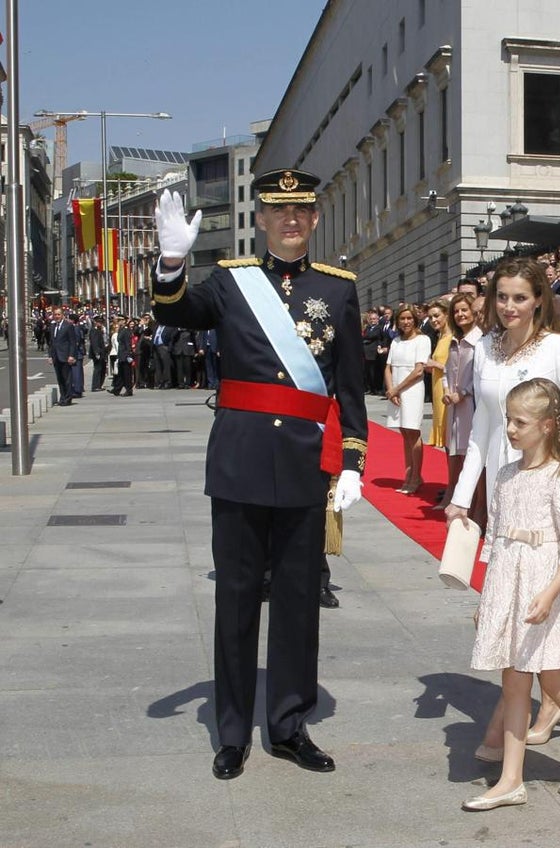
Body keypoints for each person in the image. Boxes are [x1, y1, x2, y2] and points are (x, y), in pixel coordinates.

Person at [150, 171, 368, 780]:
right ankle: (231, 731)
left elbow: (350, 389)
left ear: (315, 218)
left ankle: (290, 725)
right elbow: (176, 310)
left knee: (299, 602)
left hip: (305, 462)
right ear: (262, 219)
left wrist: (351, 461)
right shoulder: (229, 281)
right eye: (279, 210)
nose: (291, 220)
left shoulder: (339, 290)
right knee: (237, 599)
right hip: (241, 459)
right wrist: (171, 262)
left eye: (301, 210)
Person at [446, 256, 560, 758]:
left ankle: (520, 723)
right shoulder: (485, 350)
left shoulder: (558, 347)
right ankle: (526, 717)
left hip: (546, 493)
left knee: (532, 611)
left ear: (539, 299)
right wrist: (459, 499)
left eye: (520, 297)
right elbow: (481, 434)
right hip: (503, 494)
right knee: (506, 610)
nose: (510, 306)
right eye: (502, 297)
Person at [463, 378, 560, 811]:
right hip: (509, 585)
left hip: (546, 583)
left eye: (520, 421)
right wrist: (486, 598)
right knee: (513, 681)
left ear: (548, 425)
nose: (510, 429)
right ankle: (511, 779)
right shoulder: (507, 474)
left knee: (554, 679)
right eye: (508, 420)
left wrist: (549, 593)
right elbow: (493, 538)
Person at [439, 293, 482, 510]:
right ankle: (453, 494)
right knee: (453, 449)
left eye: (464, 310)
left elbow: (479, 374)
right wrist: (447, 390)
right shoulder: (454, 341)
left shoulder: (478, 341)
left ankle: (474, 502)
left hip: (470, 404)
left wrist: (463, 392)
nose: (460, 315)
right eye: (456, 311)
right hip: (453, 404)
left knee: (469, 452)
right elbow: (447, 370)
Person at [384, 306, 431, 494]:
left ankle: (415, 475)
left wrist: (396, 389)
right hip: (395, 389)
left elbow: (419, 370)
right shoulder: (395, 341)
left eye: (409, 318)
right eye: (402, 318)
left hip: (411, 389)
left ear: (415, 320)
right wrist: (390, 390)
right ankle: (409, 473)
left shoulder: (422, 340)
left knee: (413, 431)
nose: (406, 322)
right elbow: (388, 367)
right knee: (404, 432)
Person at [423, 299, 452, 449]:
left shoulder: (452, 337)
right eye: (430, 317)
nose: (433, 320)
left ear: (446, 314)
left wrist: (435, 364)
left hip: (447, 390)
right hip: (437, 387)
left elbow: (455, 368)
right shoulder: (440, 336)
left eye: (436, 316)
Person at [47, 307, 80, 406]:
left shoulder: (68, 326)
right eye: (55, 315)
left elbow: (72, 342)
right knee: (60, 379)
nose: (56, 316)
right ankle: (62, 397)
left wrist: (71, 355)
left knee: (67, 379)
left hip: (65, 356)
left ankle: (68, 398)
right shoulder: (53, 326)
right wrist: (50, 356)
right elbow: (51, 343)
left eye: (58, 314)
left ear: (62, 315)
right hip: (56, 356)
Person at [108, 315, 134, 397]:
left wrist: (128, 355)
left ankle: (129, 390)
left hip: (125, 355)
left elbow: (128, 344)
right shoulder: (121, 330)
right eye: (118, 320)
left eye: (120, 320)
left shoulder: (126, 331)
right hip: (121, 354)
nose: (118, 321)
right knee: (121, 374)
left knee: (126, 374)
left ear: (124, 321)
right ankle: (117, 389)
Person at [89, 317, 108, 392]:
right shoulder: (94, 330)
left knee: (102, 369)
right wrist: (96, 353)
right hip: (98, 353)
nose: (100, 323)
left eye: (101, 322)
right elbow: (94, 342)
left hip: (102, 352)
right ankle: (95, 386)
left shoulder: (100, 330)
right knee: (98, 369)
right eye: (98, 322)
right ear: (95, 322)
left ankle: (99, 384)